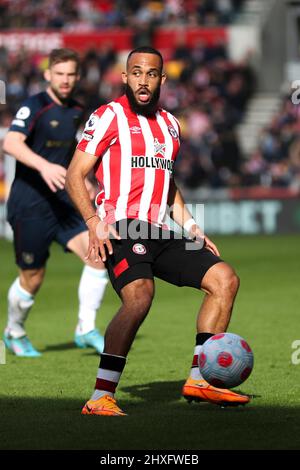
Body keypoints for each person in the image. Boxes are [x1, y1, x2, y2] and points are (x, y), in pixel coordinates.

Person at [66, 46, 250, 415]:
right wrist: (93, 223)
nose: (143, 79)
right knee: (139, 297)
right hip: (120, 227)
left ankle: (201, 380)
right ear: (125, 76)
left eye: (151, 73)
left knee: (224, 279)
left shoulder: (170, 125)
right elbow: (74, 174)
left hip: (158, 229)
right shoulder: (107, 116)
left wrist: (192, 227)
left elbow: (167, 185)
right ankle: (100, 396)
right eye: (136, 72)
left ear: (162, 79)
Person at [3, 48, 108, 357]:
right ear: (48, 74)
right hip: (30, 203)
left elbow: (74, 149)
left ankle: (85, 328)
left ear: (78, 77)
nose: (65, 80)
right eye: (59, 74)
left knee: (97, 255)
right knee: (32, 278)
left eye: (70, 74)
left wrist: (86, 182)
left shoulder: (78, 108)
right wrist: (44, 166)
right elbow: (10, 142)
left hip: (62, 202)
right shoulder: (34, 105)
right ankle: (14, 331)